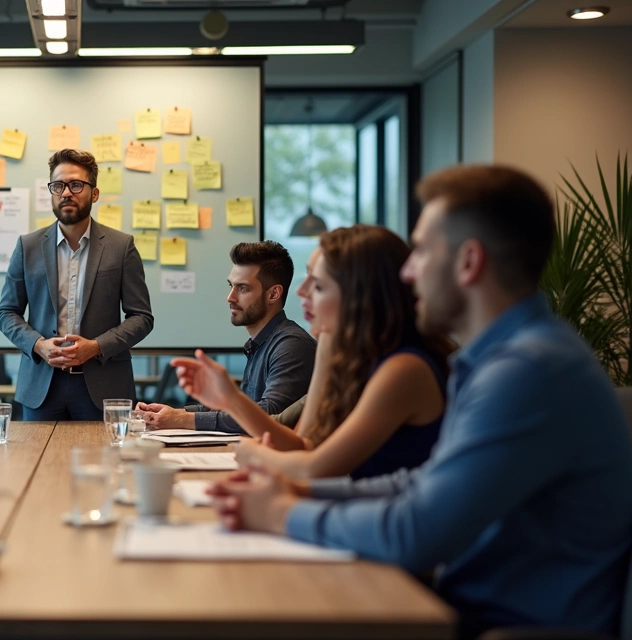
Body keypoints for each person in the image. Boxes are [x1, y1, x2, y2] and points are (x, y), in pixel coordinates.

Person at [184, 165, 632, 637]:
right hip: (458, 604)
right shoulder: (501, 359)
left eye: (421, 250)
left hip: (496, 623)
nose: (407, 270)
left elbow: (417, 532)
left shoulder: (526, 371)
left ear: (468, 262)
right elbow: (420, 483)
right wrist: (305, 492)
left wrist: (282, 512)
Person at [180, 225, 452, 481]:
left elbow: (313, 468)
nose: (300, 291)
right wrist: (229, 399)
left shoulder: (404, 368)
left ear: (358, 296)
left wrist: (256, 454)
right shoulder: (333, 348)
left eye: (318, 285)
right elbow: (304, 444)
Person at [0, 149, 154, 420]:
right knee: (38, 462)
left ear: (94, 193)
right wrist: (38, 345)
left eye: (76, 185)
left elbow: (142, 317)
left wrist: (96, 346)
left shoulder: (120, 247)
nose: (66, 192)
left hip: (103, 387)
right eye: (58, 186)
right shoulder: (28, 246)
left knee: (105, 462)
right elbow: (6, 312)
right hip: (41, 386)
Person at [136, 241, 314, 433]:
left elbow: (266, 416)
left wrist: (183, 419)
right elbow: (240, 409)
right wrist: (175, 412)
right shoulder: (261, 343)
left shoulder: (290, 345)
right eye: (231, 286)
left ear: (273, 294)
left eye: (243, 288)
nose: (230, 297)